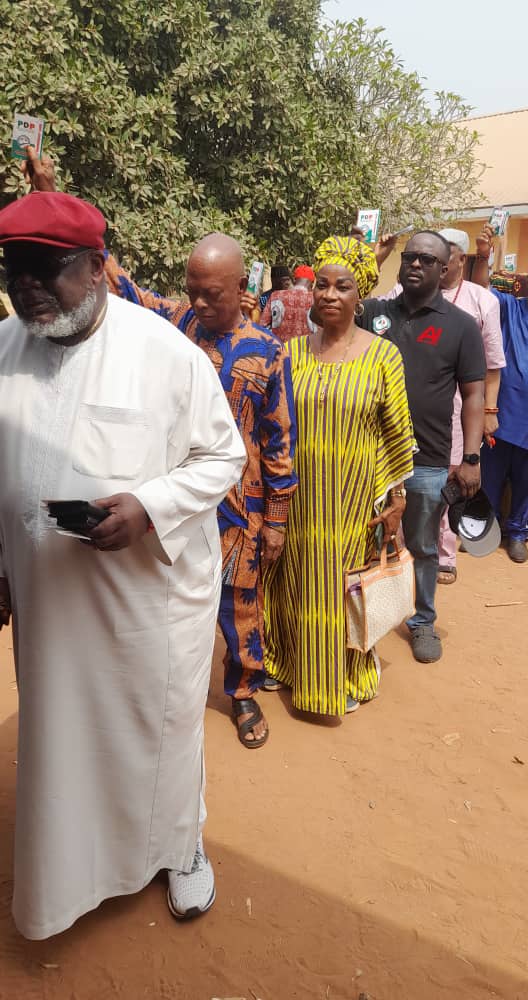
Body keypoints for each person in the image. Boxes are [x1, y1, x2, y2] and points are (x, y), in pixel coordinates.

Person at [0, 191, 246, 939]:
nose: (30, 288)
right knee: (61, 737)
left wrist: (149, 505)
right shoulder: (7, 345)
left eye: (50, 270)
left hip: (147, 598)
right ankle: (68, 869)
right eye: (16, 271)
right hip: (50, 600)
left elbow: (223, 456)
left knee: (157, 732)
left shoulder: (164, 352)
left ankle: (180, 849)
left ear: (99, 267)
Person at [22, 148, 298, 749]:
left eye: (212, 294)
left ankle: (244, 693)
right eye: (193, 290)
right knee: (172, 605)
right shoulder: (175, 324)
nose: (200, 303)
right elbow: (110, 276)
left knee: (240, 604)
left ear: (240, 288)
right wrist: (51, 188)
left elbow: (280, 439)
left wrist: (276, 518)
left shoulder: (266, 350)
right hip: (167, 493)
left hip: (239, 506)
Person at [264, 235, 415, 715]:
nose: (329, 295)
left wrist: (396, 500)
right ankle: (289, 665)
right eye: (322, 286)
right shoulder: (290, 352)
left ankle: (341, 677)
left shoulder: (382, 356)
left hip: (351, 500)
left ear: (360, 294)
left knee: (340, 588)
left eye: (342, 286)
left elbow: (396, 432)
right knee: (293, 582)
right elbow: (275, 425)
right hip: (299, 494)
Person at [357, 231, 486, 663]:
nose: (414, 264)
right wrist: (369, 263)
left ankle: (422, 621)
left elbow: (473, 395)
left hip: (427, 459)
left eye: (426, 259)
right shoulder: (373, 313)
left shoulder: (461, 326)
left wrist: (470, 458)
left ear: (446, 267)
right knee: (362, 539)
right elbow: (328, 314)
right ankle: (363, 617)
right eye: (409, 257)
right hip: (367, 456)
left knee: (423, 544)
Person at [381, 228, 505, 584]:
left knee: (449, 487)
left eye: (436, 257)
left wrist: (489, 414)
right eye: (412, 257)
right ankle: (399, 560)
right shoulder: (395, 299)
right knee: (407, 493)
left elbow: (491, 367)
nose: (421, 263)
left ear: (456, 260)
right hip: (399, 417)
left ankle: (445, 556)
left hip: (452, 410)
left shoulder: (481, 303)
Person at [473, 227, 528, 562]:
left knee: (526, 483)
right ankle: (485, 530)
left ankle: (516, 534)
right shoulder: (509, 308)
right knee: (491, 478)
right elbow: (482, 286)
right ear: (524, 281)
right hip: (499, 414)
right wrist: (484, 255)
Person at [260, 264, 314, 342]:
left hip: (280, 350)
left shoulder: (276, 296)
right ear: (312, 283)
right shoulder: (315, 299)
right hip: (306, 351)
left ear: (294, 280)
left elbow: (262, 325)